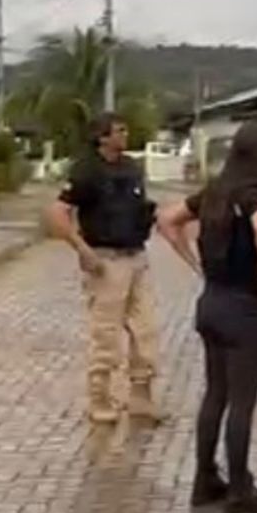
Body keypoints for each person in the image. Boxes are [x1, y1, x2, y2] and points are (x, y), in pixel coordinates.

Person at [157, 122, 257, 513]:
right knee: (243, 401)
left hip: (212, 301)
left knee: (216, 394)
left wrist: (194, 263)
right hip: (247, 307)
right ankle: (240, 489)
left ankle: (204, 479)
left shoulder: (215, 191)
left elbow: (167, 220)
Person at [47, 112, 158, 425]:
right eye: (119, 130)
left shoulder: (132, 168)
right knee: (106, 333)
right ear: (102, 136)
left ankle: (141, 396)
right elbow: (58, 212)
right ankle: (99, 397)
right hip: (105, 260)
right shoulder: (87, 171)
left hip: (136, 255)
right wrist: (81, 249)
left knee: (146, 329)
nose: (125, 135)